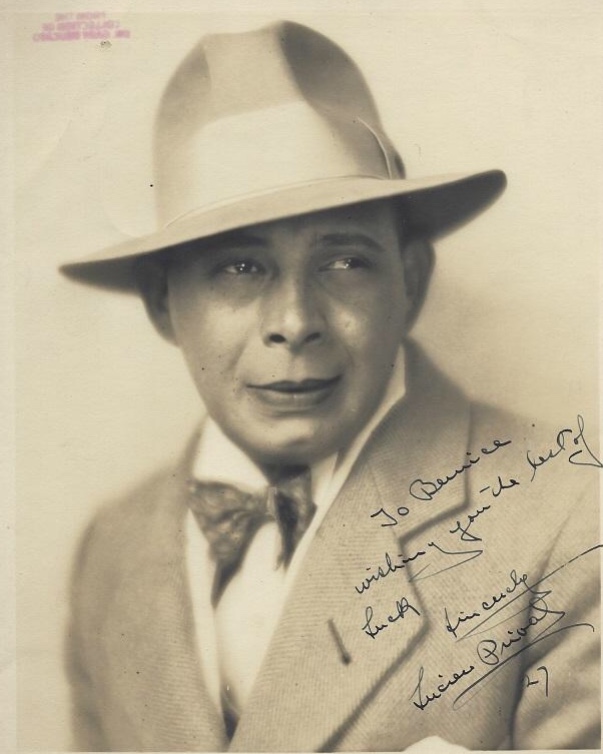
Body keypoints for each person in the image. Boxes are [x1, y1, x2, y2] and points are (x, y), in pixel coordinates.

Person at [60, 20, 600, 752]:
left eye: (344, 262)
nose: (294, 322)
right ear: (163, 303)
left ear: (409, 281)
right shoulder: (110, 548)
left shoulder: (574, 521)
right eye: (238, 268)